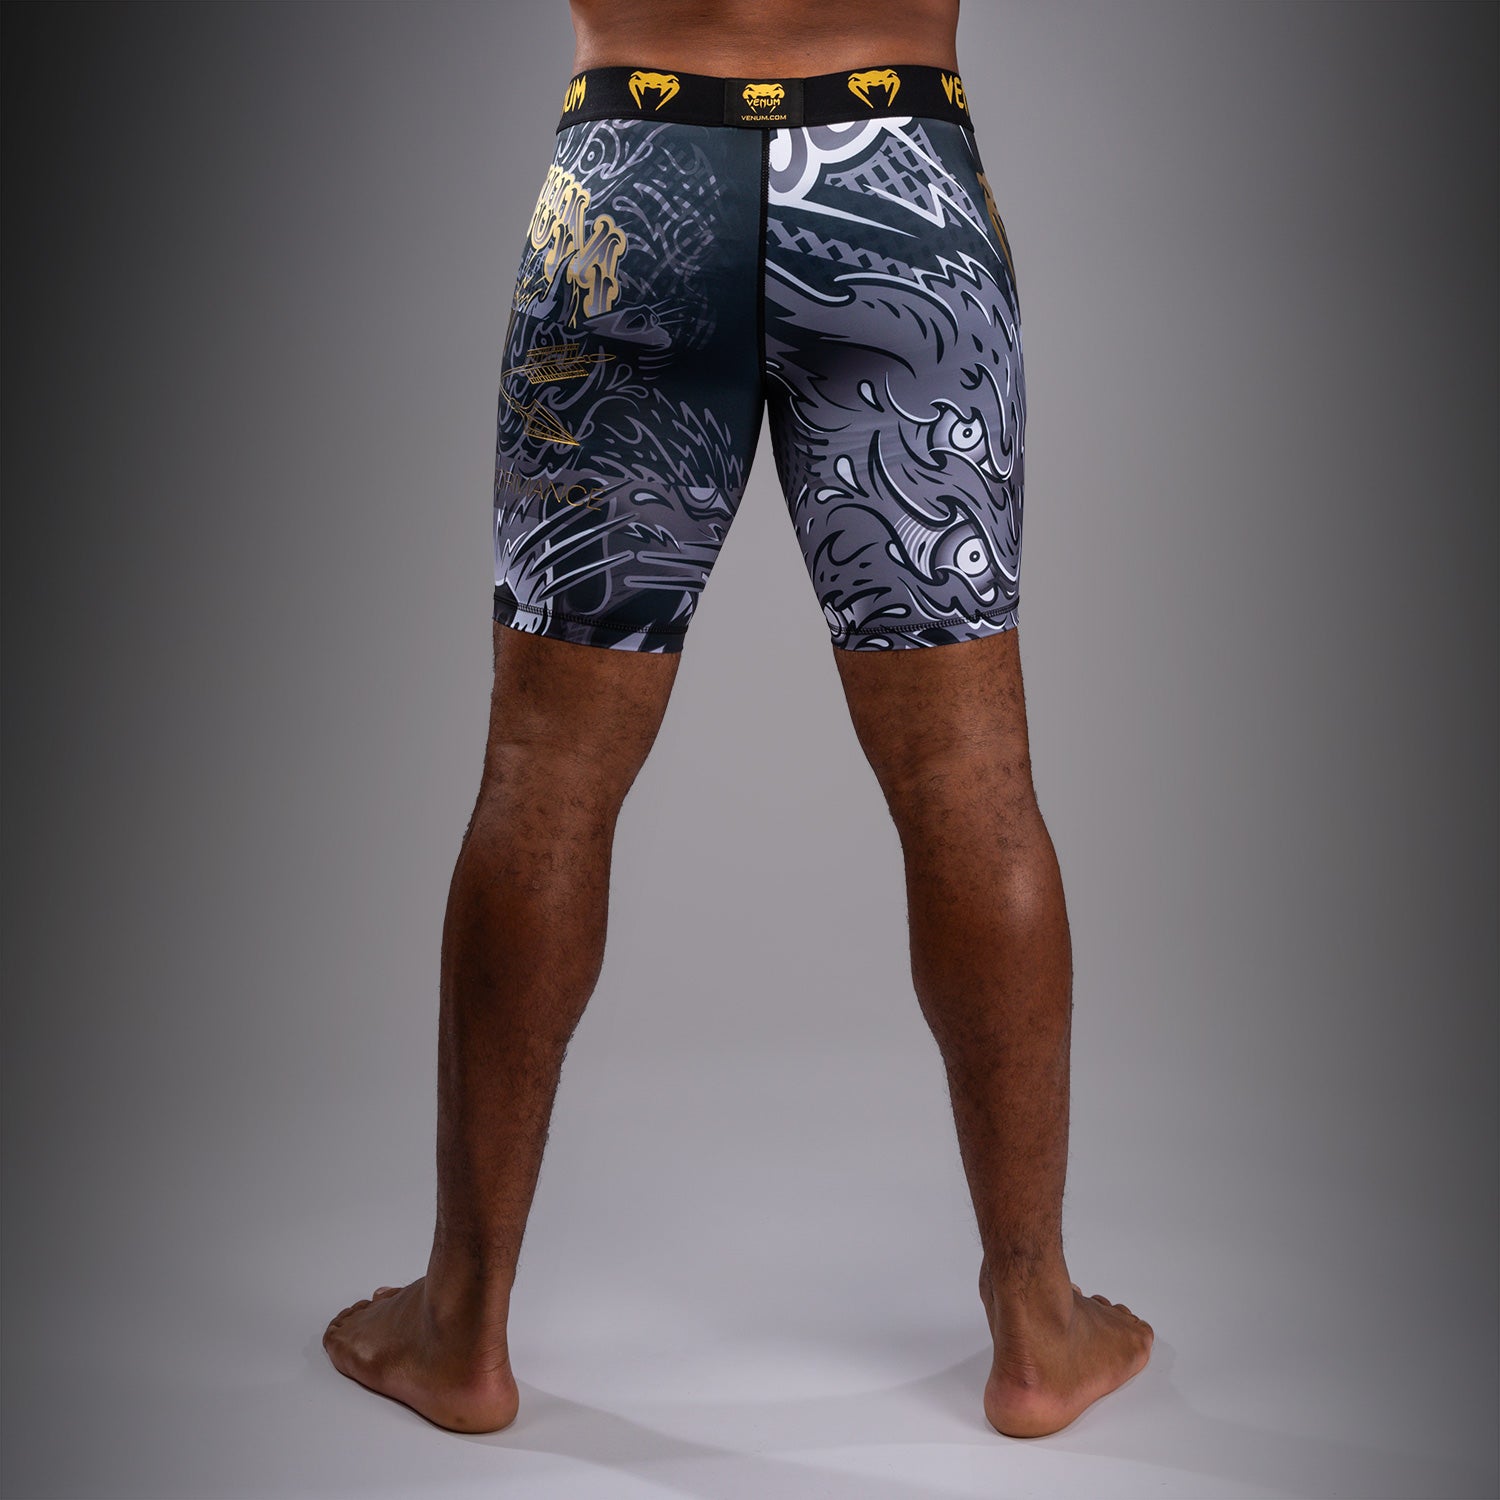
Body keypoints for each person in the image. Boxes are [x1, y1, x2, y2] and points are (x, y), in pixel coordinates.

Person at [323, 0, 1153, 1439]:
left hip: (633, 183)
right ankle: (1037, 1328)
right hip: (898, 182)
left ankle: (461, 1325)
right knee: (972, 776)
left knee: (543, 770)